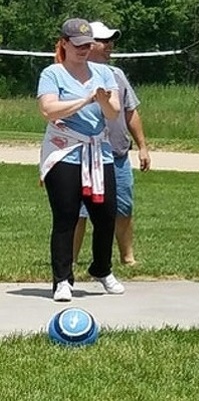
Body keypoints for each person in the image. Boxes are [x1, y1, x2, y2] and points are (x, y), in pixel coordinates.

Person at [37, 18, 125, 302]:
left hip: (98, 152)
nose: (84, 50)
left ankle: (102, 268)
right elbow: (49, 109)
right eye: (78, 45)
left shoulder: (103, 72)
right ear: (64, 43)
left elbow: (113, 113)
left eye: (88, 44)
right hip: (64, 151)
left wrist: (101, 100)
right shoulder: (53, 73)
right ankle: (62, 279)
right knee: (66, 217)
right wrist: (86, 99)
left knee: (106, 214)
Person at [73, 21, 151, 267]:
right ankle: (71, 261)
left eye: (110, 41)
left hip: (117, 156)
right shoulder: (74, 75)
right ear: (89, 44)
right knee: (79, 213)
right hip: (86, 156)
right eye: (105, 41)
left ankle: (127, 257)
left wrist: (143, 146)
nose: (110, 46)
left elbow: (131, 111)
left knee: (124, 208)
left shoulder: (117, 75)